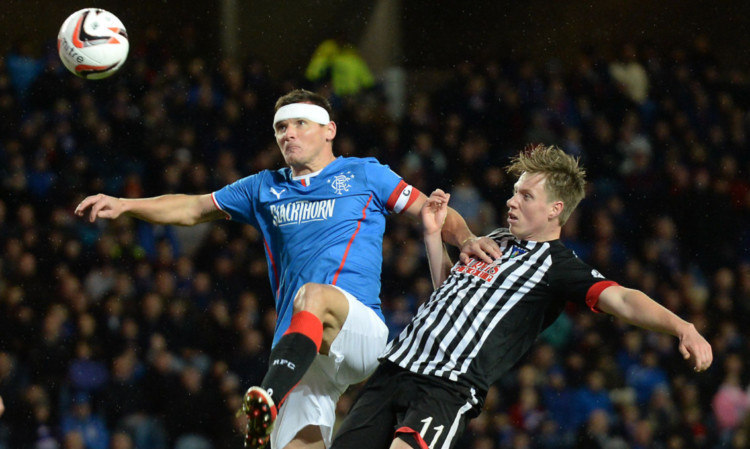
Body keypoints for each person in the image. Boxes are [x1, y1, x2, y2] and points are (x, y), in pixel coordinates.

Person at [75, 89, 500, 449]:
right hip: (300, 352)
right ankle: (276, 400)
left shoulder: (364, 173)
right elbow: (191, 207)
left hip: (359, 330)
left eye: (299, 124)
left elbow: (435, 211)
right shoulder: (263, 187)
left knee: (312, 295)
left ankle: (269, 396)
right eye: (281, 127)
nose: (288, 134)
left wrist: (465, 239)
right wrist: (127, 205)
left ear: (328, 130)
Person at [330, 144, 713, 449]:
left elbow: (624, 300)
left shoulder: (558, 265)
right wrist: (432, 236)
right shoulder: (493, 239)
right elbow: (447, 296)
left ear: (555, 210)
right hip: (396, 366)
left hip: (445, 387)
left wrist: (682, 326)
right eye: (514, 192)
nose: (512, 201)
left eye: (526, 196)